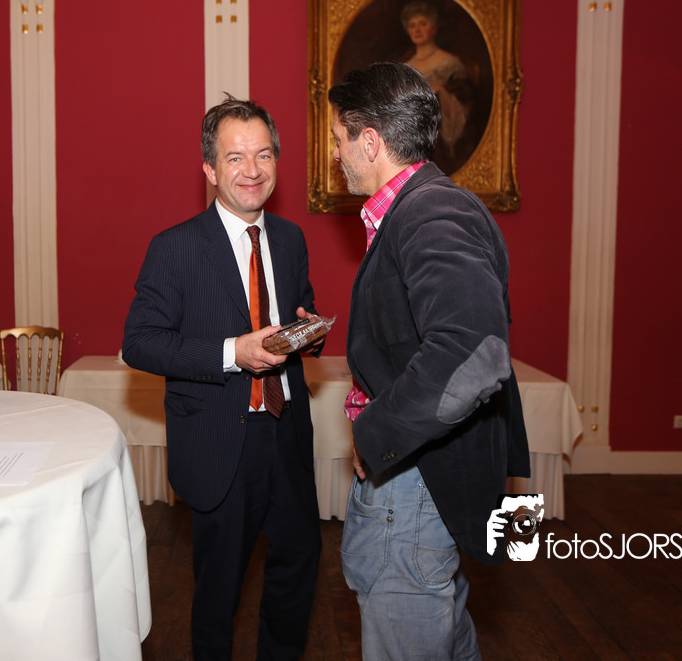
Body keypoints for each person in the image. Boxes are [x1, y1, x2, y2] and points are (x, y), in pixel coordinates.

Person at [329, 62, 529, 660]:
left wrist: (375, 433)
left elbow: (471, 352)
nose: (335, 153)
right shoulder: (423, 207)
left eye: (339, 138)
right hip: (423, 479)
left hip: (414, 484)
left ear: (370, 141)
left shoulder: (432, 213)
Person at [123, 96, 323, 660]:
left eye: (264, 155)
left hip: (287, 433)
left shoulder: (290, 239)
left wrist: (308, 331)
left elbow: (296, 308)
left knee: (298, 567)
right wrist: (235, 352)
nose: (252, 170)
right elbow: (139, 342)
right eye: (235, 158)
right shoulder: (175, 247)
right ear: (210, 169)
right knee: (219, 592)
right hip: (219, 441)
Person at [400, 0, 476, 172]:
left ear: (433, 28)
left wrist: (442, 92)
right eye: (412, 25)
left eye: (423, 24)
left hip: (441, 138)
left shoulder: (449, 62)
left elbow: (466, 98)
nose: (417, 29)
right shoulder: (406, 67)